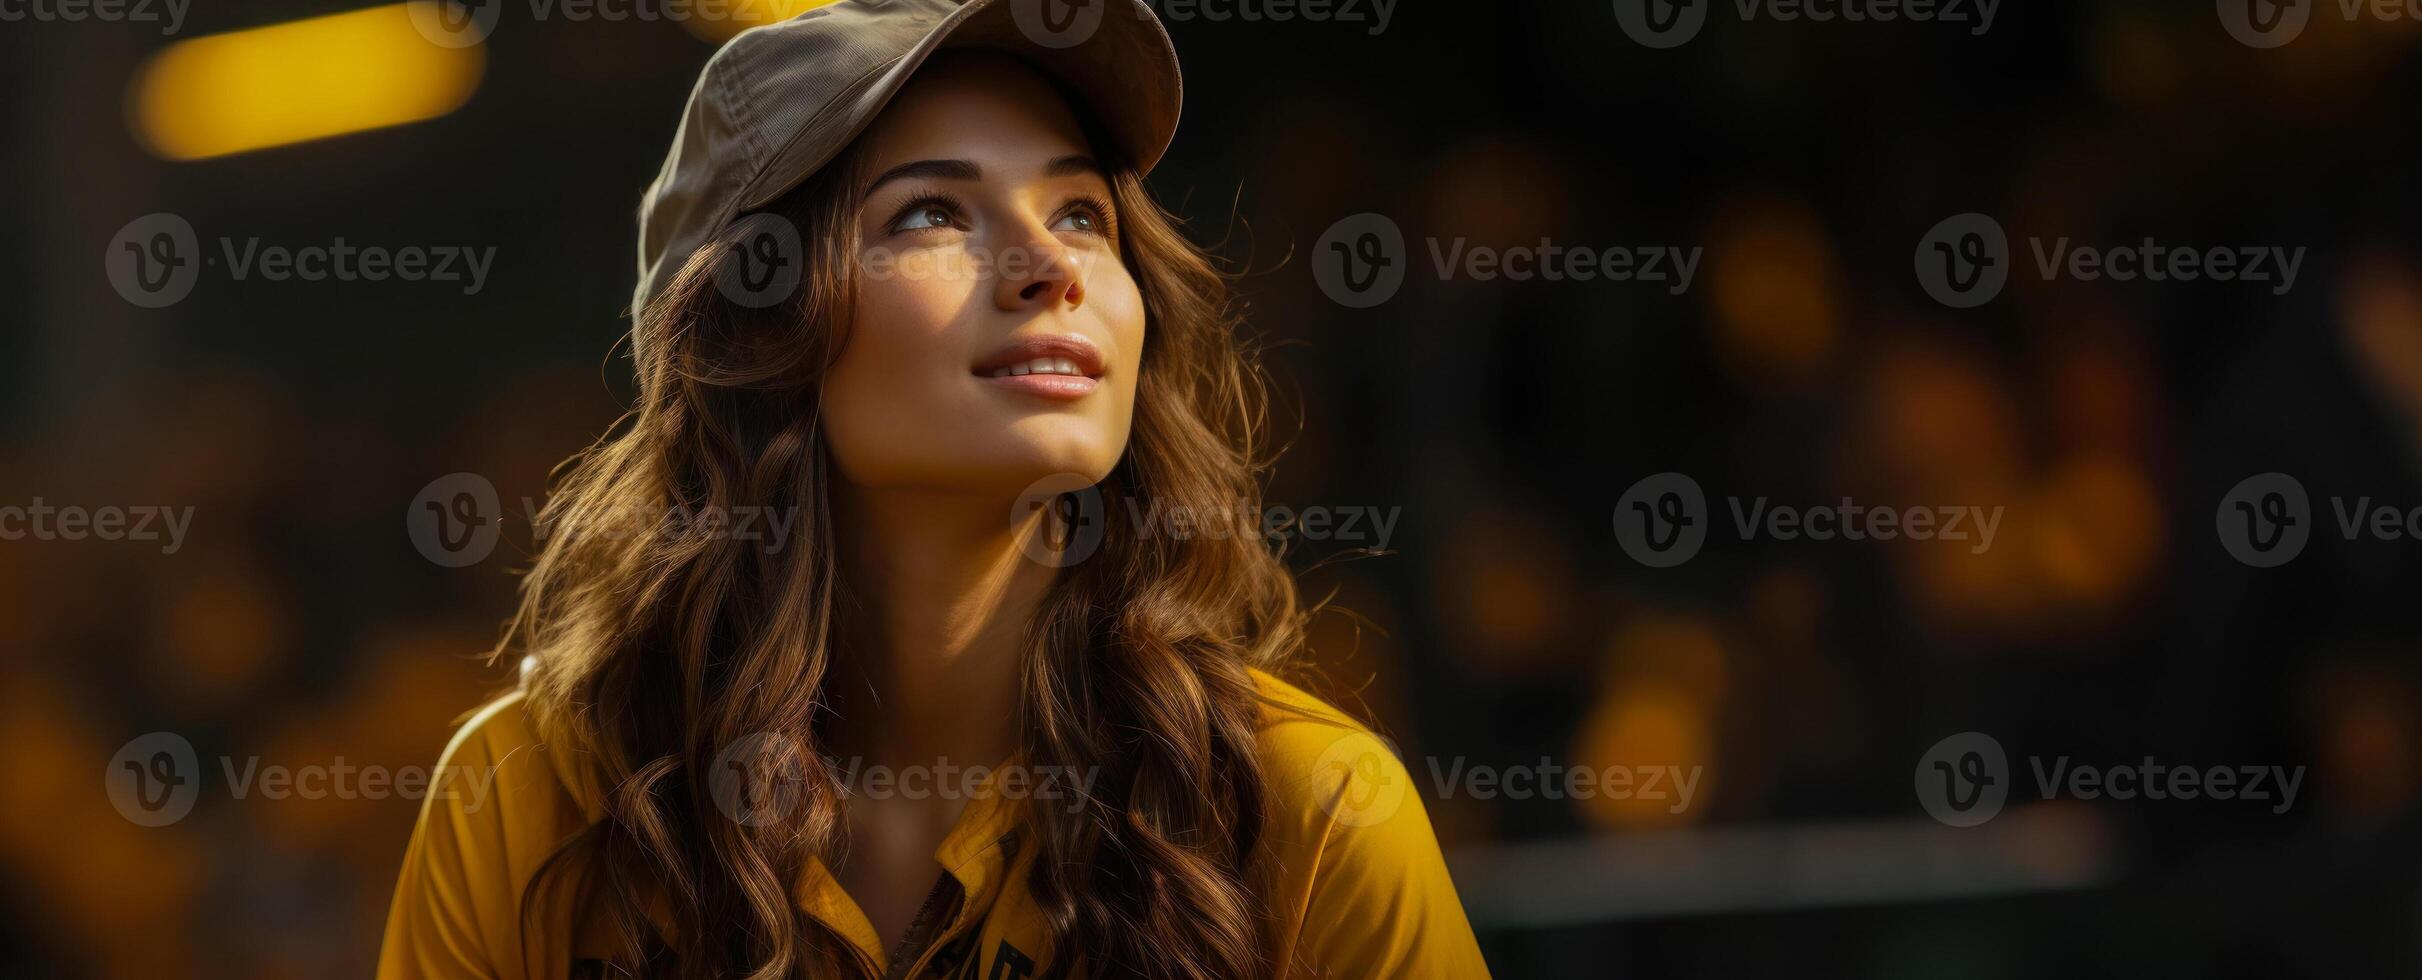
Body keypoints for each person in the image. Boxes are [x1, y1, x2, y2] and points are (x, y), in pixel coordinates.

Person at [376, 1, 1490, 977]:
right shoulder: (523, 800)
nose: (1050, 265)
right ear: (754, 329)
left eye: (1080, 214)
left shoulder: (1318, 812)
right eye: (932, 213)